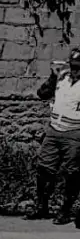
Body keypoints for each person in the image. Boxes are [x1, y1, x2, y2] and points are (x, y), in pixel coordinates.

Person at [26, 47, 80, 224]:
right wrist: (52, 76)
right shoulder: (61, 78)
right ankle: (42, 206)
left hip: (75, 132)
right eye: (73, 66)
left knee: (72, 173)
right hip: (54, 130)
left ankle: (65, 210)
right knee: (44, 169)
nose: (75, 70)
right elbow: (42, 94)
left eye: (78, 67)